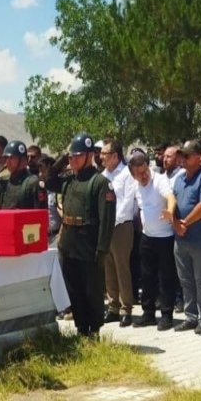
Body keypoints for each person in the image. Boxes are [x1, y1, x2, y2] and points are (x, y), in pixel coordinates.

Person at [54, 133, 116, 337]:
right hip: (69, 242)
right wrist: (63, 158)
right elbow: (48, 180)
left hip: (88, 243)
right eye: (71, 157)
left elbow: (106, 220)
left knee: (92, 290)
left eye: (77, 156)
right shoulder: (69, 180)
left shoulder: (100, 182)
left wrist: (102, 249)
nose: (73, 160)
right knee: (74, 288)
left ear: (90, 155)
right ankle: (81, 328)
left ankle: (94, 330)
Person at [166, 140, 201, 335]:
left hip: (198, 239)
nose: (182, 160)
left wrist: (185, 223)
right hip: (180, 239)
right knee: (185, 279)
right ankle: (190, 316)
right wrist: (176, 223)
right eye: (181, 156)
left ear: (197, 157)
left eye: (186, 156)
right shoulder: (179, 179)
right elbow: (173, 202)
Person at [129, 153, 179, 329]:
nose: (143, 176)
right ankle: (148, 313)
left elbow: (171, 197)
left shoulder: (159, 180)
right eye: (139, 173)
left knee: (166, 278)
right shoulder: (135, 185)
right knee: (147, 277)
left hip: (165, 237)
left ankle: (166, 315)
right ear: (133, 175)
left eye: (145, 171)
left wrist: (170, 212)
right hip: (147, 237)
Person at [99, 138, 137, 326]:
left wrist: (110, 221)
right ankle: (113, 306)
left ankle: (126, 308)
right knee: (108, 267)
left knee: (122, 267)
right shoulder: (104, 175)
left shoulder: (126, 175)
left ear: (115, 156)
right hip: (105, 228)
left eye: (105, 154)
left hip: (121, 226)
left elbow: (126, 203)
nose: (101, 158)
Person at [0, 140, 46, 210]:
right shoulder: (4, 182)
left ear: (23, 160)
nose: (8, 161)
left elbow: (41, 213)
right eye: (6, 158)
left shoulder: (33, 183)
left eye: (11, 158)